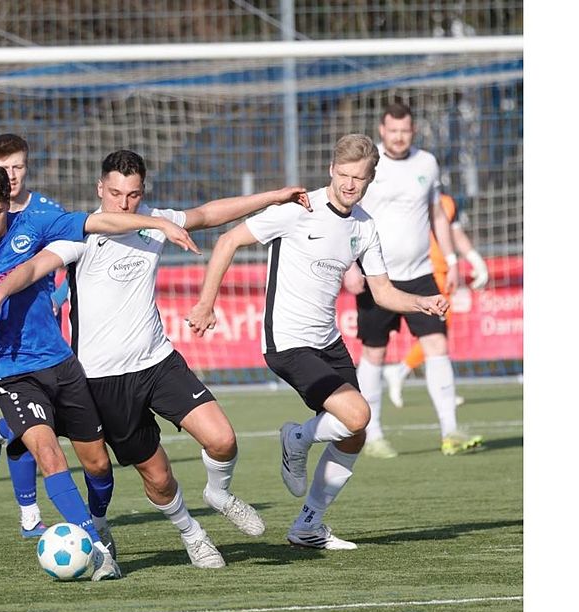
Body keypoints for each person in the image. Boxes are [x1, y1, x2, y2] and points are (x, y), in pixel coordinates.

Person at [0, 149, 311, 568]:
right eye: (114, 194)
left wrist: (274, 196)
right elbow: (34, 268)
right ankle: (191, 534)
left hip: (158, 361)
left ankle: (218, 493)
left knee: (223, 439)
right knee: (156, 478)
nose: (124, 204)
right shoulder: (80, 234)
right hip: (103, 380)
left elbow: (209, 213)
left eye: (133, 195)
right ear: (99, 190)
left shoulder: (156, 223)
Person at [0, 163, 199, 580]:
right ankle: (93, 549)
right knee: (51, 456)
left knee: (98, 467)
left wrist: (157, 221)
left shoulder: (36, 224)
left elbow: (99, 220)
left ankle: (19, 449)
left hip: (60, 363)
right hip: (10, 371)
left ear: (7, 204)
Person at [186, 134, 449, 550]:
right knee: (357, 413)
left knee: (353, 434)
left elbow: (382, 293)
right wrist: (205, 304)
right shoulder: (297, 209)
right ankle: (296, 438)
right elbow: (227, 240)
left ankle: (308, 526)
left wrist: (421, 301)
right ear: (331, 170)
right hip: (287, 341)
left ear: (369, 180)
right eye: (343, 175)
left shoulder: (364, 225)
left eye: (358, 178)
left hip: (328, 341)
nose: (349, 184)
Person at [353, 103, 483, 458]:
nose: (398, 137)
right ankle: (372, 433)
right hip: (376, 276)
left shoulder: (427, 162)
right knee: (374, 353)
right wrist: (350, 266)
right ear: (382, 130)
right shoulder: (367, 165)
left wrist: (453, 259)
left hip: (422, 273)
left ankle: (450, 431)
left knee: (438, 346)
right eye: (392, 130)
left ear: (413, 131)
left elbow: (437, 213)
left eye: (405, 131)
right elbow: (348, 214)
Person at [0, 133, 70, 539]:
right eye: (3, 168)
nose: (11, 175)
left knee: (45, 421)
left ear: (27, 167)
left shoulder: (45, 210)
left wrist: (57, 297)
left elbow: (72, 261)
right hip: (1, 340)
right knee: (32, 423)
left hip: (46, 334)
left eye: (18, 167)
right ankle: (29, 515)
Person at [373, 193, 490, 417]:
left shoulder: (446, 202)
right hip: (423, 274)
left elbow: (456, 233)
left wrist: (475, 259)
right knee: (436, 336)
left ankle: (416, 377)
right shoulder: (402, 200)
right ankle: (403, 371)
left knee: (439, 334)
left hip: (445, 273)